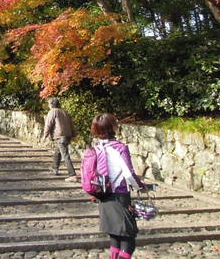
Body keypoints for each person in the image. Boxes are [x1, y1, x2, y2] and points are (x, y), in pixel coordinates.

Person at [91, 113, 146, 259]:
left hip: (102, 195)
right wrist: (140, 186)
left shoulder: (96, 147)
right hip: (119, 195)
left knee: (115, 236)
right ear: (112, 127)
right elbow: (128, 173)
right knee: (128, 238)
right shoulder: (119, 147)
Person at [42, 97, 78, 182]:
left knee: (65, 155)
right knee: (58, 151)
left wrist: (44, 136)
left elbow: (48, 124)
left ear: (51, 104)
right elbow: (71, 124)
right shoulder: (65, 112)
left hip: (60, 136)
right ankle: (55, 168)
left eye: (48, 104)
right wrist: (74, 135)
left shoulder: (53, 111)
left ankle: (72, 175)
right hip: (67, 135)